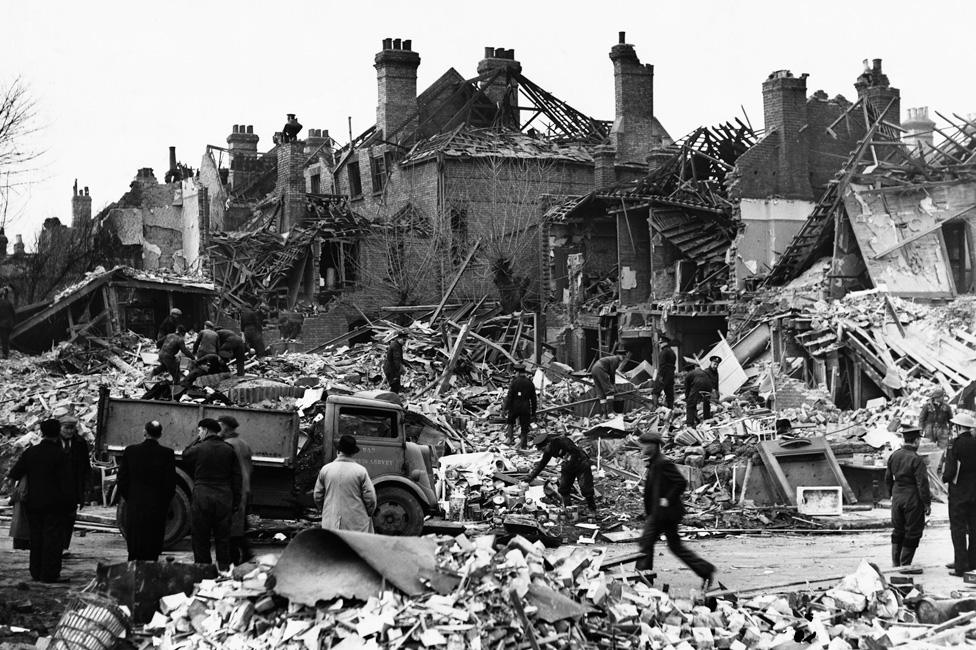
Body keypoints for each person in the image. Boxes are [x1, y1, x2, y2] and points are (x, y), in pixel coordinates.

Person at [634, 430, 716, 589]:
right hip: (660, 514)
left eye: (644, 445)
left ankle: (642, 581)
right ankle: (705, 570)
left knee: (646, 544)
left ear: (652, 446)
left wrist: (667, 499)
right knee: (674, 546)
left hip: (665, 514)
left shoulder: (663, 462)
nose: (641, 448)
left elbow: (680, 482)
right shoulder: (654, 462)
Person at [7, 419, 72, 583]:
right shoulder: (61, 455)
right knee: (53, 538)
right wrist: (71, 502)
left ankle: (35, 571)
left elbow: (14, 473)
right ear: (58, 433)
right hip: (55, 504)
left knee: (36, 537)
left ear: (42, 432)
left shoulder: (31, 452)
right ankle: (49, 574)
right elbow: (66, 482)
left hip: (33, 502)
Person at [183, 418, 242, 570]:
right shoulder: (229, 449)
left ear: (206, 430)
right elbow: (237, 478)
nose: (199, 434)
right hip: (224, 497)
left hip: (203, 496)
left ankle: (204, 571)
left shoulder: (199, 448)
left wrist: (196, 440)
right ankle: (223, 571)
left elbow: (185, 455)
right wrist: (236, 502)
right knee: (223, 538)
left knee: (201, 537)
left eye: (199, 431)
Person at [117, 421, 176, 561]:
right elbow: (170, 483)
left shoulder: (131, 451)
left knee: (135, 538)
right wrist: (164, 502)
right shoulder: (167, 453)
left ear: (145, 432)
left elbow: (122, 479)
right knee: (153, 539)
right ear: (160, 434)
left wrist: (130, 497)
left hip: (135, 503)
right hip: (157, 505)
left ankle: (134, 568)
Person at [885, 426, 931, 568]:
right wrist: (927, 503)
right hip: (912, 498)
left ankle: (895, 563)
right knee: (913, 531)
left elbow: (887, 478)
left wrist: (891, 495)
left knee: (898, 530)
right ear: (916, 440)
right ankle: (905, 564)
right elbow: (922, 484)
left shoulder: (894, 455)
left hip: (897, 496)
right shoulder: (916, 459)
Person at [313, 435, 377, 532]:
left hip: (330, 521)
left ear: (338, 451)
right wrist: (368, 513)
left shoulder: (326, 470)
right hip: (356, 523)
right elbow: (370, 499)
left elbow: (317, 496)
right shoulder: (360, 471)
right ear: (353, 453)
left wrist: (326, 510)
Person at [523, 432, 596, 511]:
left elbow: (576, 452)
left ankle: (592, 508)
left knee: (585, 488)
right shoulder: (548, 451)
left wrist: (569, 460)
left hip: (581, 462)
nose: (544, 451)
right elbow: (541, 464)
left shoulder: (562, 441)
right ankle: (568, 508)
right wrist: (529, 478)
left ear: (548, 444)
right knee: (563, 489)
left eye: (544, 449)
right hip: (567, 465)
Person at [945, 412, 976, 577]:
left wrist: (945, 478)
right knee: (974, 529)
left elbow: (950, 471)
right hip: (975, 494)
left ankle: (961, 567)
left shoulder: (954, 444)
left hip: (958, 494)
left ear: (958, 427)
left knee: (958, 530)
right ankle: (973, 563)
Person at [219, 415, 253, 565]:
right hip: (244, 488)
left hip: (234, 489)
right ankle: (245, 554)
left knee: (231, 528)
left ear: (225, 427)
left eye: (220, 425)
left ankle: (236, 559)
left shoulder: (227, 445)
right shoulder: (243, 444)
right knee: (238, 526)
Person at [59, 414, 90, 553]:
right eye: (67, 428)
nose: (69, 431)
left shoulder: (80, 443)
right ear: (60, 428)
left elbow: (85, 467)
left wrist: (85, 490)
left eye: (72, 428)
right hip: (56, 486)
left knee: (69, 518)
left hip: (73, 486)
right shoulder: (53, 442)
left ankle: (64, 546)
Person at [504, 363, 537, 449]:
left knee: (510, 421)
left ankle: (509, 438)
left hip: (514, 406)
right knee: (524, 427)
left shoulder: (514, 382)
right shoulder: (530, 383)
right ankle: (523, 445)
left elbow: (509, 396)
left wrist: (505, 409)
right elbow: (533, 399)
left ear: (518, 372)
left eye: (515, 372)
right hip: (525, 407)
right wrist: (533, 411)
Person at [591, 347, 631, 416]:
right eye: (623, 357)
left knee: (601, 393)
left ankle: (605, 414)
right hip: (600, 369)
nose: (623, 359)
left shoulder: (612, 359)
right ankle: (610, 412)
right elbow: (612, 372)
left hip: (594, 369)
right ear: (619, 355)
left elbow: (611, 372)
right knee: (610, 391)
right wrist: (613, 384)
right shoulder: (615, 360)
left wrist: (612, 382)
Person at [685, 357, 721, 427]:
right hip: (707, 388)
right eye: (714, 364)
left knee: (692, 404)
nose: (715, 366)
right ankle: (700, 419)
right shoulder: (706, 371)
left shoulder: (716, 373)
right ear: (711, 363)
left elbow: (687, 388)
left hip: (704, 387)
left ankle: (690, 424)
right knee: (703, 403)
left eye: (717, 364)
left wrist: (687, 398)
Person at [650, 336, 677, 409]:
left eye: (661, 343)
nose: (660, 344)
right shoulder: (672, 352)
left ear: (665, 343)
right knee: (669, 393)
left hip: (664, 374)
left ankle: (654, 408)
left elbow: (662, 366)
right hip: (671, 375)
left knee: (655, 392)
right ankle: (670, 409)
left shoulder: (663, 352)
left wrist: (660, 377)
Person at [0, 286, 14, 359]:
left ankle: (5, 355)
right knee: (6, 340)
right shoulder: (9, 303)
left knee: (4, 340)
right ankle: (6, 353)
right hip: (9, 325)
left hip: (2, 325)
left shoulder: (1, 303)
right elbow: (13, 314)